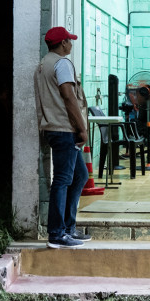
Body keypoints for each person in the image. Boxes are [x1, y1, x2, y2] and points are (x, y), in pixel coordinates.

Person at [34, 26, 91, 248]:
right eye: (70, 40)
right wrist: (82, 128)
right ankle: (57, 234)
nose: (71, 44)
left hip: (52, 128)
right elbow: (69, 97)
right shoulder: (62, 63)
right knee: (63, 180)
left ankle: (68, 228)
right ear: (63, 43)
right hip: (64, 129)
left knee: (80, 176)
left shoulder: (42, 65)